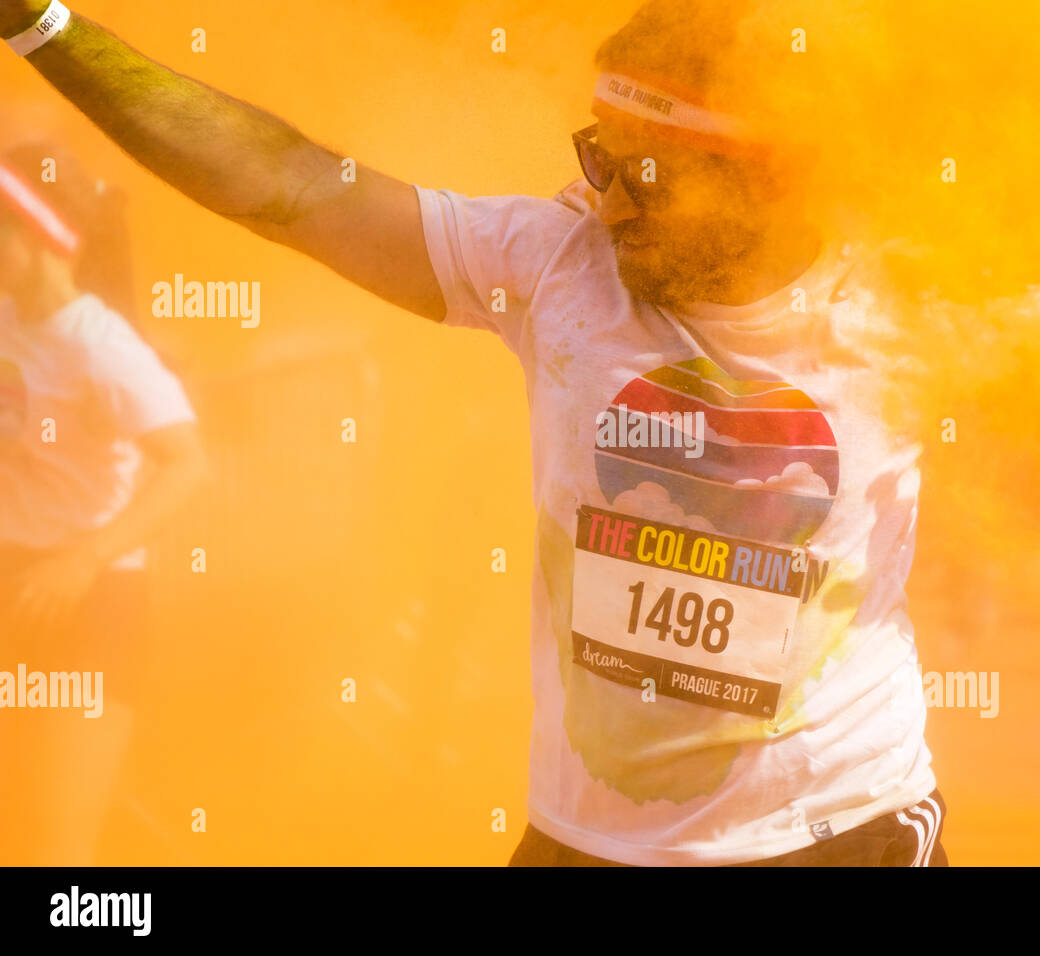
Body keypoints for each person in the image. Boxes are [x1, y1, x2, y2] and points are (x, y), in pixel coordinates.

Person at [0, 0, 947, 866]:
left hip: (839, 830)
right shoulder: (553, 265)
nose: (608, 203)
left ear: (763, 178)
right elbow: (284, 181)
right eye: (597, 159)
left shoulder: (916, 314)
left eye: (647, 177)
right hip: (586, 841)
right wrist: (42, 26)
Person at [0, 140, 207, 863]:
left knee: (58, 851)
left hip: (90, 608)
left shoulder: (101, 347)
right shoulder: (5, 318)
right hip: (12, 588)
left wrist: (82, 561)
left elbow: (188, 465)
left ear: (34, 235)